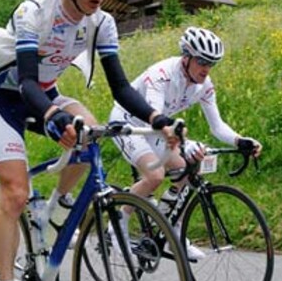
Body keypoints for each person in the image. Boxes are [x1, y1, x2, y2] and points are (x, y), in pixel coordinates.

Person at [0, 0, 175, 281]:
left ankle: (55, 209)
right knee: (13, 193)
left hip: (45, 92)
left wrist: (159, 118)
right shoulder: (37, 10)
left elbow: (121, 88)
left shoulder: (101, 22)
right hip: (10, 95)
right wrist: (50, 116)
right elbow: (28, 82)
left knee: (90, 133)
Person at [109, 26, 262, 259]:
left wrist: (240, 140)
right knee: (155, 176)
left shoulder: (205, 85)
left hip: (160, 130)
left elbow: (217, 125)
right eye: (202, 61)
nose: (206, 69)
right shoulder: (162, 75)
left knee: (188, 170)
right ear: (186, 57)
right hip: (132, 124)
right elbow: (155, 118)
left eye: (212, 63)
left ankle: (172, 231)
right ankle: (117, 225)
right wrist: (185, 143)